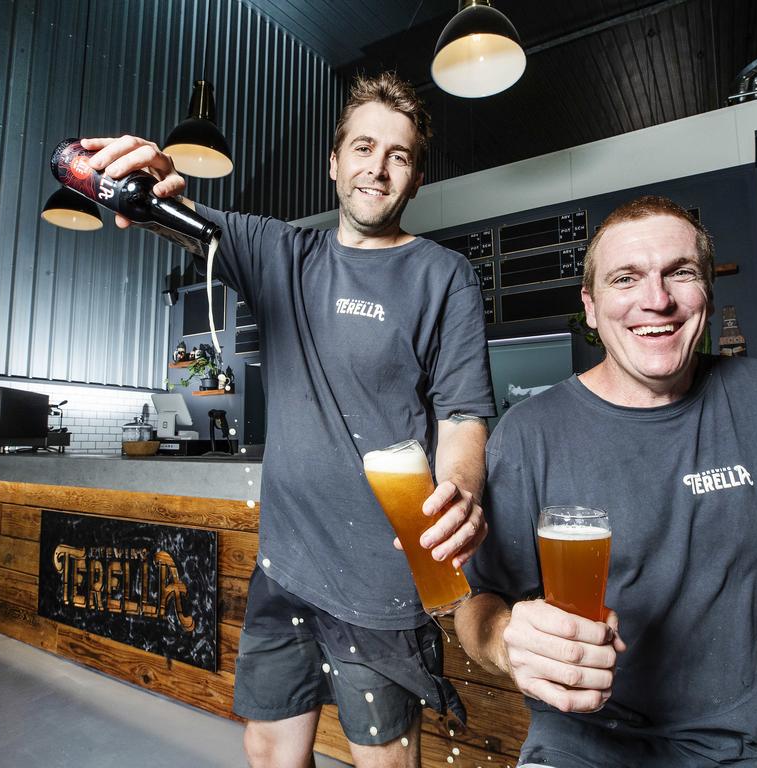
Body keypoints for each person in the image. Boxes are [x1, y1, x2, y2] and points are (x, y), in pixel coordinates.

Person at [83, 72, 496, 768]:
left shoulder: (443, 276)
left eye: (398, 155)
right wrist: (143, 176)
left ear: (416, 178)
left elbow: (462, 415)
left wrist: (461, 487)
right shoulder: (280, 254)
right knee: (270, 749)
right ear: (333, 163)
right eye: (363, 147)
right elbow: (167, 211)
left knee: (384, 762)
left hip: (383, 582)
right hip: (286, 567)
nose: (378, 166)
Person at [454, 195, 757, 767]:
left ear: (707, 293)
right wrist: (504, 642)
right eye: (625, 278)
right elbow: (476, 601)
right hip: (586, 752)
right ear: (590, 307)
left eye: (679, 273)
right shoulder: (528, 434)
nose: (655, 300)